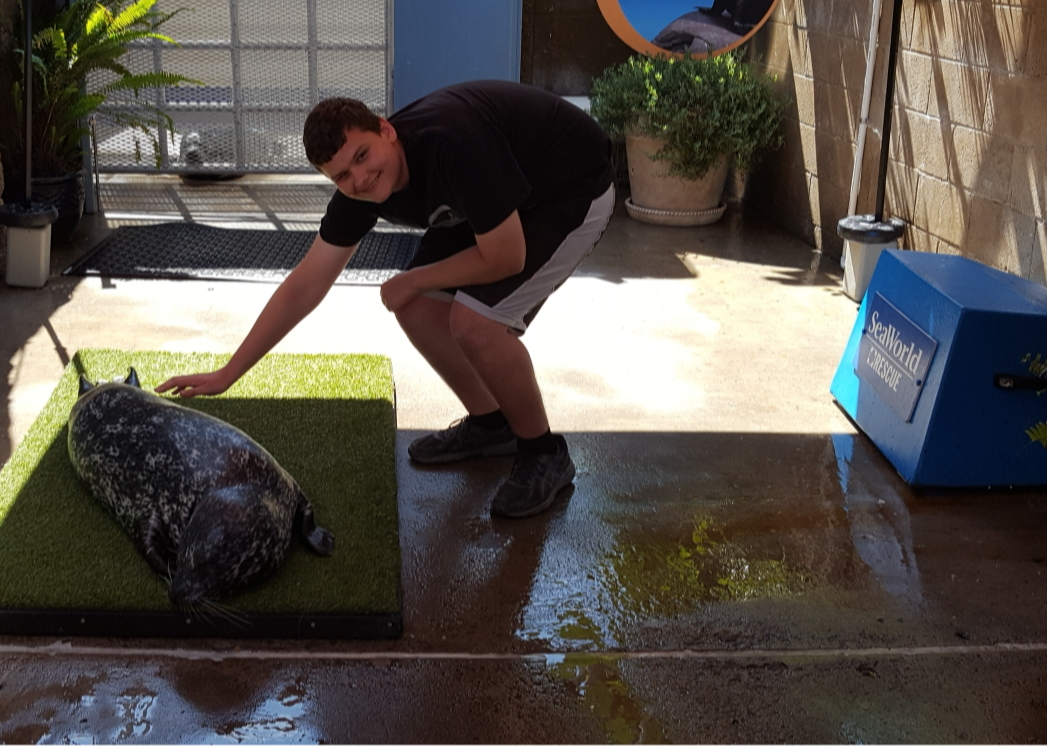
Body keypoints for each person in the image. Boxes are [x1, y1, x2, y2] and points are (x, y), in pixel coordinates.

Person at [156, 80, 615, 518]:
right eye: (341, 174)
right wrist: (229, 372)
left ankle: (543, 452)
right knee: (414, 305)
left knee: (475, 322)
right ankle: (492, 425)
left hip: (572, 186)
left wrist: (414, 279)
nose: (359, 176)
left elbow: (507, 255)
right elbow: (307, 282)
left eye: (362, 154)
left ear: (386, 130)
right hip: (503, 196)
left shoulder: (454, 141)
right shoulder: (359, 192)